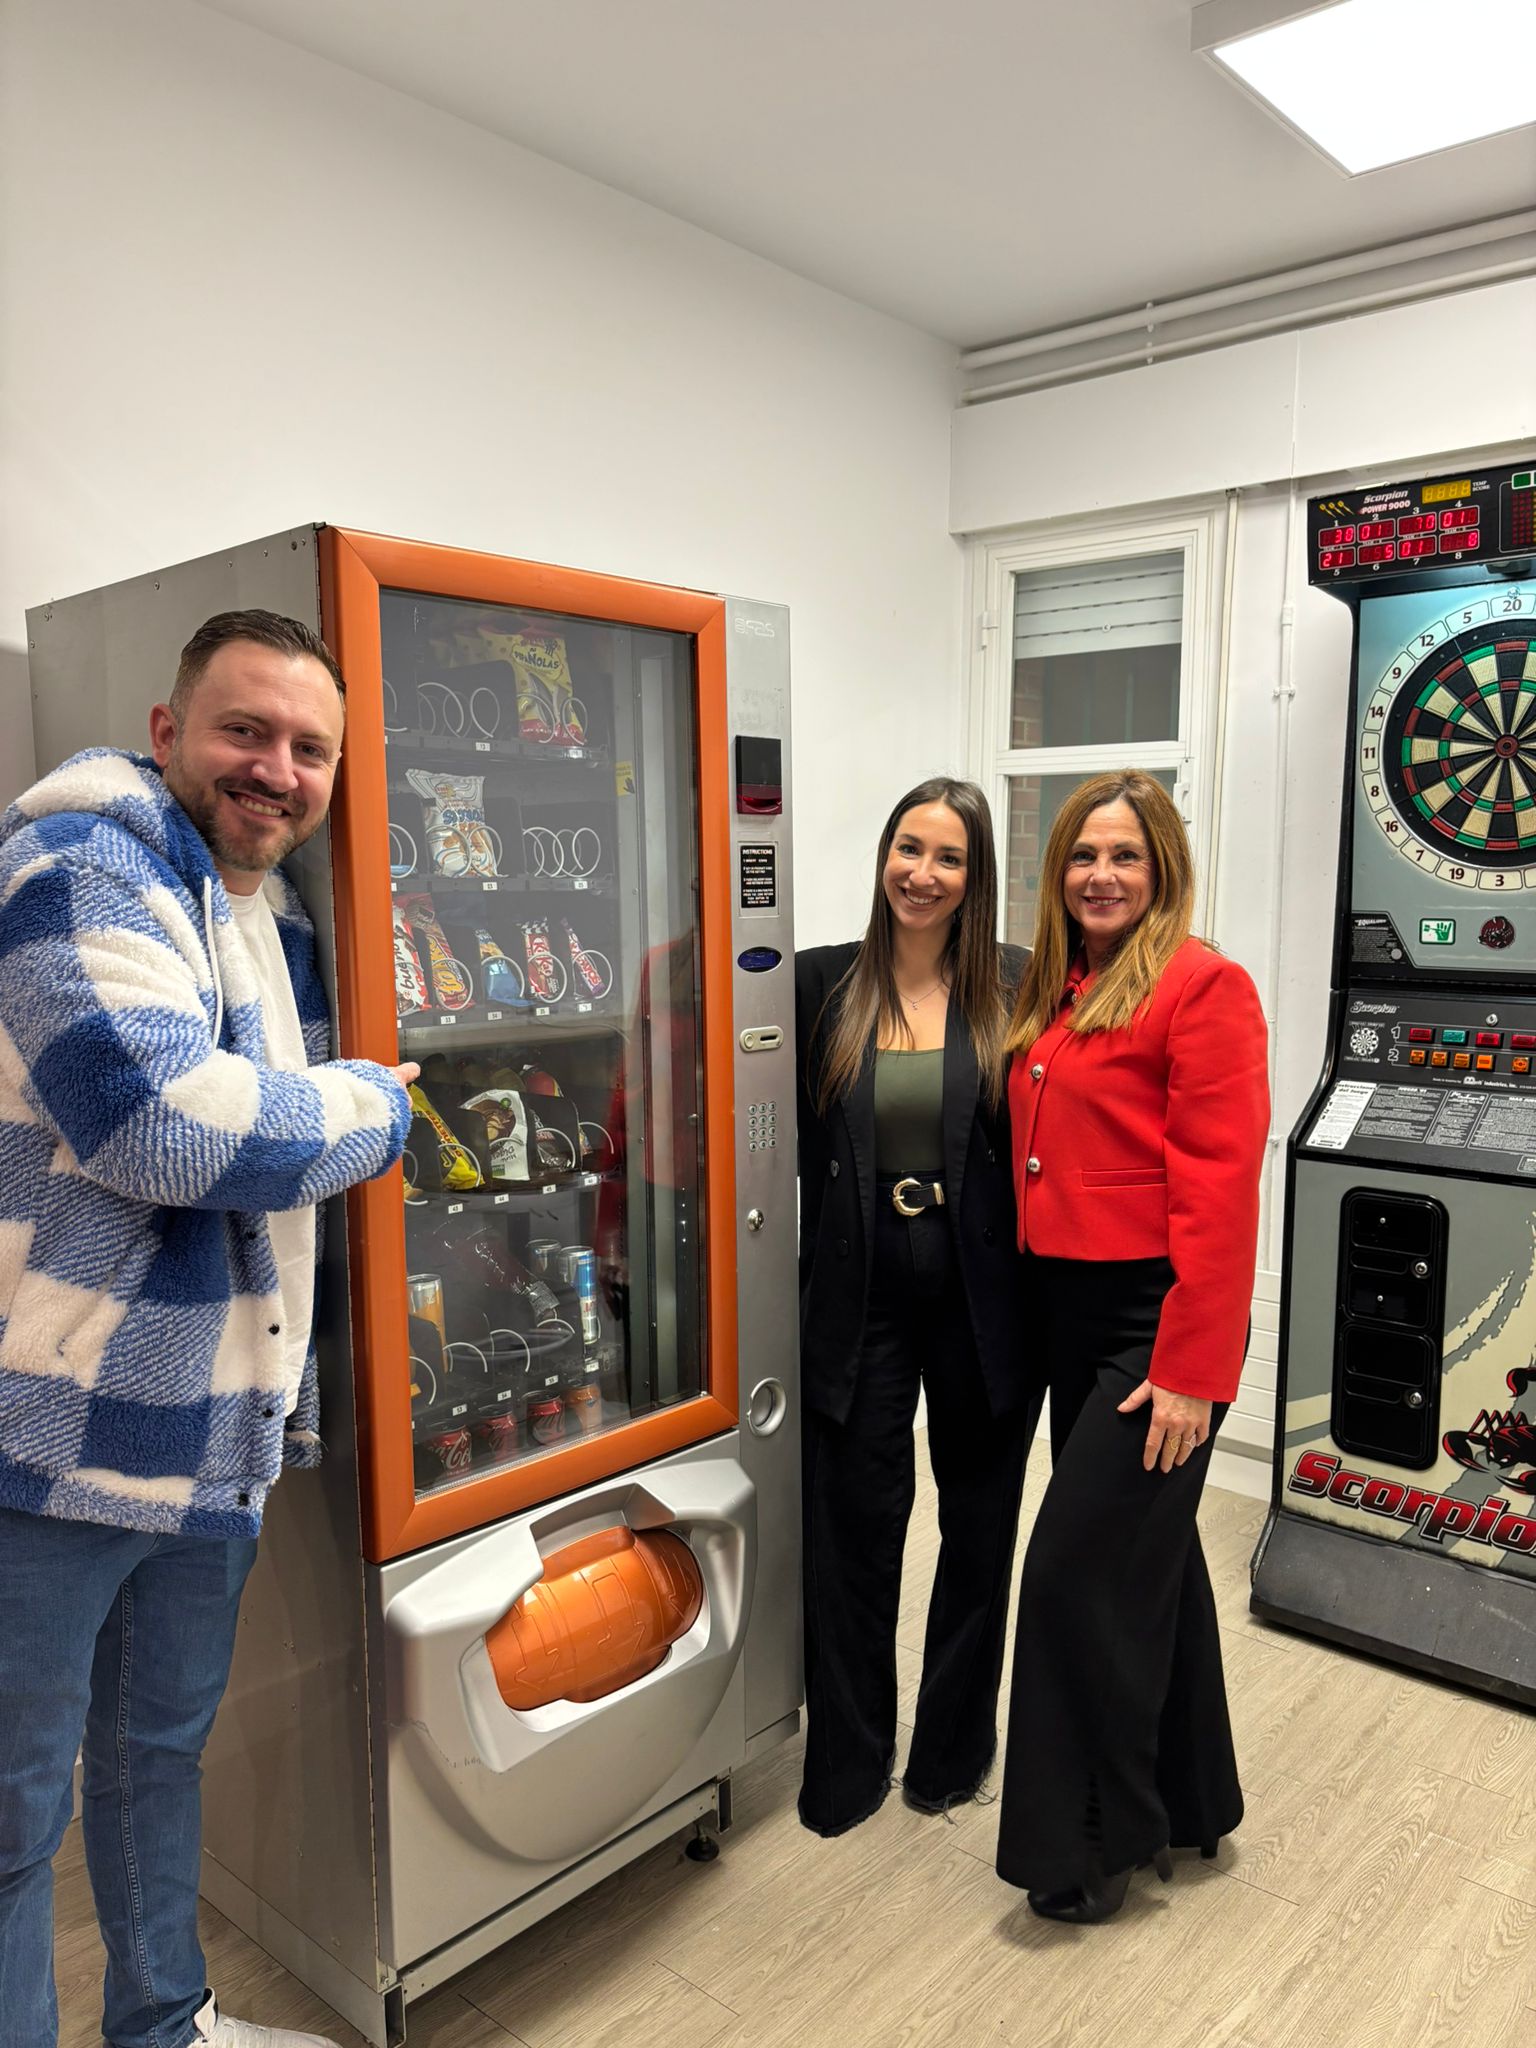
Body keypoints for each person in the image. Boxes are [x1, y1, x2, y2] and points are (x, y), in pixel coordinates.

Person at [0, 612, 417, 2048]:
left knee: (152, 1760)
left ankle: (164, 2028)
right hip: (46, 1441)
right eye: (246, 731)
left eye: (310, 749)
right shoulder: (74, 864)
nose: (276, 769)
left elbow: (262, 1144)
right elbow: (167, 1129)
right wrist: (381, 1102)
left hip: (211, 1429)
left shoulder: (276, 908)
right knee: (12, 1818)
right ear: (169, 731)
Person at [994, 769, 1268, 1923]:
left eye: (1125, 855)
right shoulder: (1059, 992)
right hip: (1066, 1319)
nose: (1100, 875)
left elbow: (1222, 1190)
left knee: (1070, 1573)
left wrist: (1193, 1371)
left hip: (1151, 1327)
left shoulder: (1206, 988)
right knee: (1144, 1563)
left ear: (1162, 868)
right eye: (1081, 856)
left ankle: (1086, 1843)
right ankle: (1192, 1794)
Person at [795, 776, 1038, 1836]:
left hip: (988, 1296)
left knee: (979, 1529)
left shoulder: (1020, 988)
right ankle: (847, 1763)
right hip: (857, 1295)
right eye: (908, 847)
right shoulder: (817, 986)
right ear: (884, 853)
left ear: (975, 878)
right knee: (854, 1529)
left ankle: (950, 1750)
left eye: (948, 857)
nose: (922, 873)